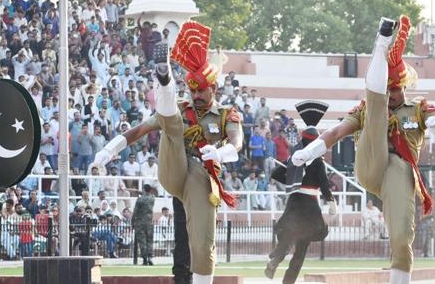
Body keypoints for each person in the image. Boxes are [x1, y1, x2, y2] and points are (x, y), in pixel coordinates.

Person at [290, 16, 435, 284]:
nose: (391, 95)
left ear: (404, 87)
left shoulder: (419, 108)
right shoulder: (366, 109)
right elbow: (335, 133)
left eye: (395, 89)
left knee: (402, 237)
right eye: (387, 89)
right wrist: (310, 151)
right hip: (369, 164)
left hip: (399, 172)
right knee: (374, 108)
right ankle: (381, 45)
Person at [91, 21, 243, 284]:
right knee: (171, 124)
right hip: (173, 167)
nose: (195, 95)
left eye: (200, 90)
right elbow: (139, 130)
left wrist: (220, 153)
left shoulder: (227, 114)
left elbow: (237, 141)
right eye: (192, 89)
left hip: (201, 177)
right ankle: (164, 79)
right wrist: (108, 150)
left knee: (202, 242)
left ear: (213, 89)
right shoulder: (182, 108)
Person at [265, 100, 336, 284]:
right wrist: (331, 202)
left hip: (294, 201)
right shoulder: (318, 162)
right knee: (301, 248)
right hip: (310, 205)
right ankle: (288, 281)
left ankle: (275, 260)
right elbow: (323, 183)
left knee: (287, 235)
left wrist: (292, 178)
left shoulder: (295, 158)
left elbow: (276, 173)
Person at [132, 184, 155, 265]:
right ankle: (150, 257)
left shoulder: (140, 200)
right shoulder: (152, 198)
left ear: (144, 189)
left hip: (140, 222)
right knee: (150, 240)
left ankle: (145, 259)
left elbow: (135, 212)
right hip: (149, 222)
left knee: (142, 241)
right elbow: (149, 196)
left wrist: (132, 222)